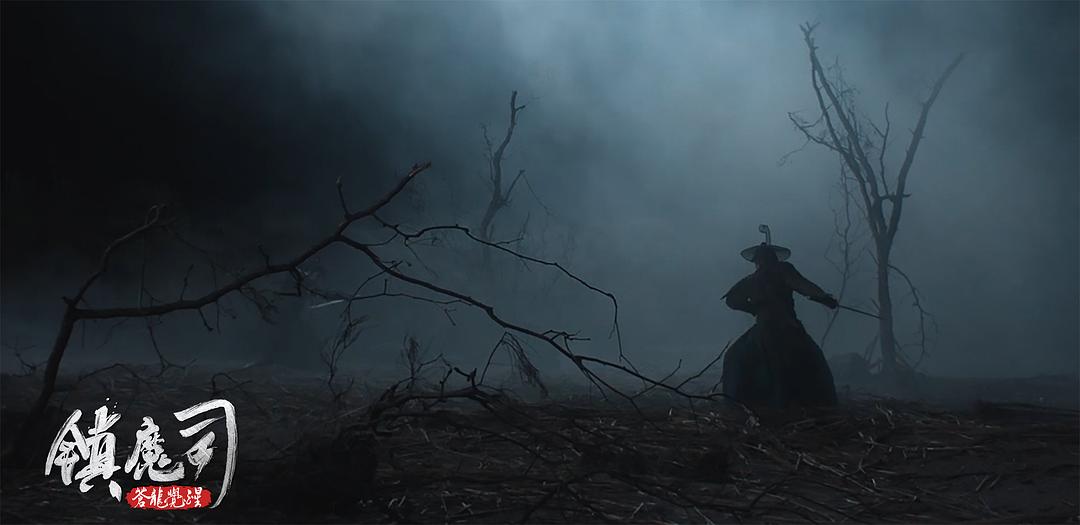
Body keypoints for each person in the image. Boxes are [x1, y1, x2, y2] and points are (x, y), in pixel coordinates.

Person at [721, 225, 839, 408]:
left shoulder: (774, 273)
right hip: (780, 327)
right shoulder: (762, 277)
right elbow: (732, 300)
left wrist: (822, 297)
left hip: (780, 326)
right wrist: (823, 298)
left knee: (735, 357)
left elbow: (732, 300)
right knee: (812, 359)